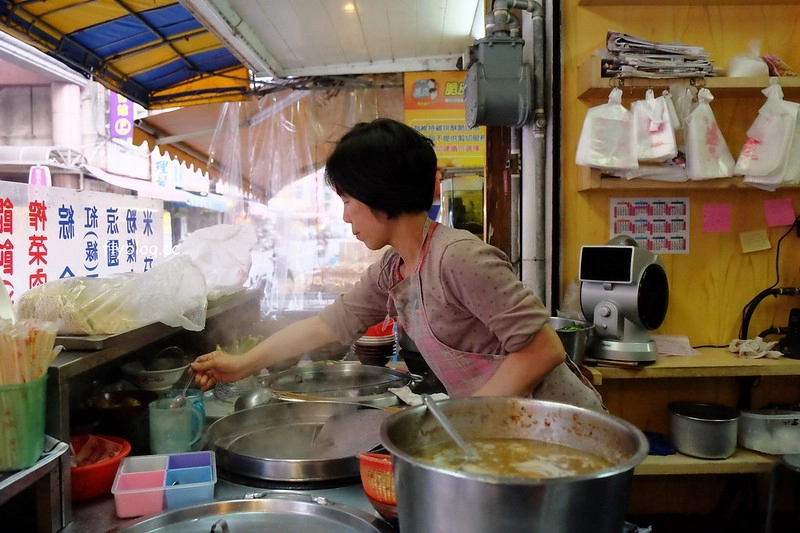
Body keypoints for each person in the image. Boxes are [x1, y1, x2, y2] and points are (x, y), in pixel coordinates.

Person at [189, 118, 604, 411]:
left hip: (558, 426)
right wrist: (241, 364)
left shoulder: (458, 256)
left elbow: (542, 351)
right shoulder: (395, 268)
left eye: (348, 201)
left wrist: (462, 422)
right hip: (503, 422)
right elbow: (327, 325)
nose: (346, 215)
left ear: (378, 194)